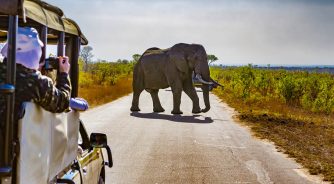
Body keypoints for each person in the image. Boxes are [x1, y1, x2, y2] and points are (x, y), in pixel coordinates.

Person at [0, 27, 87, 163]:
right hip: (21, 160)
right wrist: (63, 74)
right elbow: (62, 102)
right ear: (34, 52)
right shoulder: (37, 83)